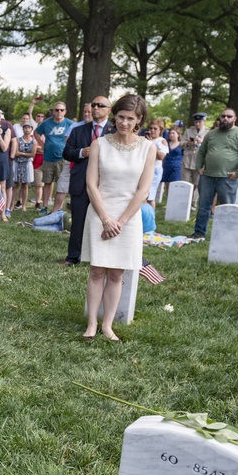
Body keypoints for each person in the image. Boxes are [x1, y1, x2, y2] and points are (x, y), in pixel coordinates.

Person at [81, 94, 156, 342]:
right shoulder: (101, 144)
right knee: (96, 271)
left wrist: (120, 222)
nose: (124, 123)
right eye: (121, 117)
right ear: (115, 116)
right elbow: (92, 184)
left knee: (116, 275)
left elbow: (143, 191)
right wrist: (105, 219)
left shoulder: (148, 148)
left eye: (130, 119)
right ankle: (92, 323)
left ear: (139, 120)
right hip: (100, 211)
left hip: (129, 217)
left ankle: (108, 325)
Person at [61, 97, 114, 266]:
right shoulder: (78, 130)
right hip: (81, 182)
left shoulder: (114, 132)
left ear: (109, 109)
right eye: (93, 105)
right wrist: (82, 152)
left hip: (106, 184)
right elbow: (67, 152)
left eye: (100, 105)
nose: (95, 107)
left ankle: (100, 258)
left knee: (103, 220)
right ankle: (73, 257)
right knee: (78, 221)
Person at [191, 108, 238, 239]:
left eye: (229, 116)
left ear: (234, 119)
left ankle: (226, 236)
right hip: (208, 176)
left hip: (227, 178)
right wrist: (198, 167)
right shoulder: (212, 134)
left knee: (227, 207)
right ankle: (199, 233)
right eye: (223, 116)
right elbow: (202, 152)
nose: (225, 118)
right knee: (203, 206)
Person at [35, 101, 73, 213]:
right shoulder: (46, 123)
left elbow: (76, 135)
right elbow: (36, 133)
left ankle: (58, 208)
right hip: (48, 158)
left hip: (63, 158)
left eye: (61, 110)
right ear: (53, 111)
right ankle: (45, 206)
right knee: (47, 183)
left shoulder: (70, 124)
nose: (59, 112)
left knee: (61, 184)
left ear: (65, 112)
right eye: (57, 110)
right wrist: (42, 145)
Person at [181, 113, 208, 209]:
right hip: (188, 160)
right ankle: (184, 202)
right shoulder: (188, 131)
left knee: (196, 183)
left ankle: (193, 202)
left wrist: (202, 142)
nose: (197, 124)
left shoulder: (208, 132)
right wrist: (187, 143)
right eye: (196, 122)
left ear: (204, 121)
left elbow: (211, 146)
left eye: (199, 122)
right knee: (185, 181)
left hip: (199, 160)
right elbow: (181, 143)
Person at [12, 122, 36, 211]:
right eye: (25, 127)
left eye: (28, 127)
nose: (26, 129)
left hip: (27, 164)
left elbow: (33, 154)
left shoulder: (33, 141)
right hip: (17, 163)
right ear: (23, 129)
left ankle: (24, 205)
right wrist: (26, 154)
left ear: (31, 129)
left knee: (25, 185)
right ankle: (11, 204)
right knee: (15, 184)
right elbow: (15, 152)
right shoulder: (18, 140)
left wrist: (21, 153)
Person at [145, 119, 168, 208]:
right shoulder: (147, 139)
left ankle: (152, 215)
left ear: (160, 130)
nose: (152, 131)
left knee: (150, 195)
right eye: (151, 128)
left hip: (155, 169)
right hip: (146, 168)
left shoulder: (161, 141)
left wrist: (152, 145)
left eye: (155, 129)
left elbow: (161, 157)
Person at [161, 128, 183, 199]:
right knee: (167, 184)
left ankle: (174, 199)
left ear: (178, 135)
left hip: (176, 167)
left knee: (174, 184)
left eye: (173, 133)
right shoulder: (166, 143)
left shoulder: (181, 144)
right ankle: (168, 200)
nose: (171, 135)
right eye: (170, 133)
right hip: (167, 166)